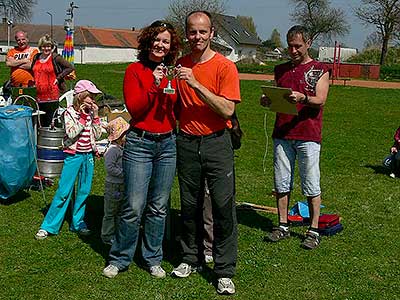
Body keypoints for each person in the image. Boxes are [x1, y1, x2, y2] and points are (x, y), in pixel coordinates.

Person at [102, 20, 181, 279]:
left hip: (167, 144)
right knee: (134, 205)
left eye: (165, 41)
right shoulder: (135, 71)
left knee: (158, 206)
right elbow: (136, 110)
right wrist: (154, 84)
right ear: (148, 42)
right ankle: (120, 257)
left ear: (171, 47)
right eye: (157, 39)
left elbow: (177, 108)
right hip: (140, 143)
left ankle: (152, 257)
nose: (160, 45)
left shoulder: (173, 73)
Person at [171, 11, 241, 295]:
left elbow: (227, 109)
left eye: (202, 32)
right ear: (186, 34)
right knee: (189, 205)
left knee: (223, 206)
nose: (197, 37)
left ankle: (224, 270)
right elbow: (172, 105)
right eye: (192, 32)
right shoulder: (180, 65)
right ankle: (191, 258)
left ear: (212, 33)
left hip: (217, 142)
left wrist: (195, 84)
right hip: (186, 142)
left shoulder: (225, 67)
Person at [260, 25, 330, 250]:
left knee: (311, 183)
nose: (293, 50)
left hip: (308, 134)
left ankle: (314, 229)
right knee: (281, 181)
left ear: (308, 43)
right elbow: (277, 94)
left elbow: (321, 99)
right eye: (290, 46)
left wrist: (303, 97)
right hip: (282, 133)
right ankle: (282, 225)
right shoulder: (280, 70)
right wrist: (268, 100)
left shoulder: (320, 69)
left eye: (298, 46)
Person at [35, 80, 103, 240]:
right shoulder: (69, 113)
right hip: (73, 155)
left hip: (88, 156)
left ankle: (78, 222)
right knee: (64, 191)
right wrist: (83, 117)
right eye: (91, 96)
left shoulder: (91, 113)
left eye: (94, 97)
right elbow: (71, 133)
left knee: (84, 191)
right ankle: (49, 225)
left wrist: (96, 117)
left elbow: (98, 134)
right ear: (81, 96)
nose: (93, 100)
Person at [31, 34, 75, 127]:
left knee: (50, 121)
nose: (46, 48)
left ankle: (51, 140)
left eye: (48, 46)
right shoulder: (36, 57)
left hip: (51, 95)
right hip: (37, 95)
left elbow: (69, 67)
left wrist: (58, 78)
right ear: (40, 47)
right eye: (44, 46)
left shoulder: (55, 58)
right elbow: (33, 70)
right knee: (38, 122)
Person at [101, 117, 130, 245]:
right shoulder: (113, 150)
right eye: (125, 134)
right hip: (113, 185)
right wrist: (124, 174)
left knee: (120, 211)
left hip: (122, 185)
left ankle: (118, 233)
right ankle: (107, 235)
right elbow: (110, 168)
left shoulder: (123, 149)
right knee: (110, 212)